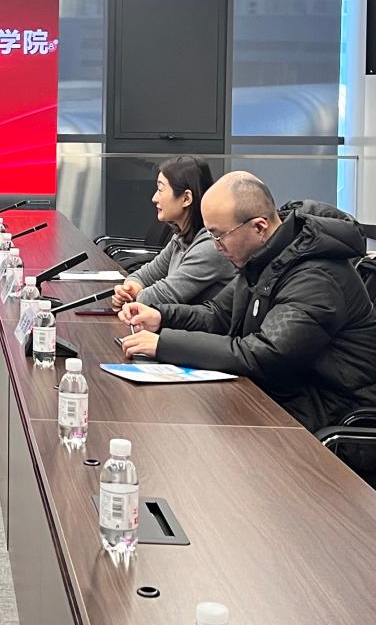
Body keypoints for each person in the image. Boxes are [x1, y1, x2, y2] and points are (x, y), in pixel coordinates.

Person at [120, 171, 376, 432]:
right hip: (280, 395)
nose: (216, 246)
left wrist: (165, 345)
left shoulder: (317, 276)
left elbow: (264, 354)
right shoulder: (265, 257)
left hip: (327, 415)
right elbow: (218, 315)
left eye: (219, 235)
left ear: (259, 227)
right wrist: (161, 317)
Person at [112, 156, 236, 309]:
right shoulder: (181, 237)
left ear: (186, 198)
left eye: (160, 190)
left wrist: (130, 297)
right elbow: (145, 275)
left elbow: (162, 296)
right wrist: (130, 288)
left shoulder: (211, 246)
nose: (154, 198)